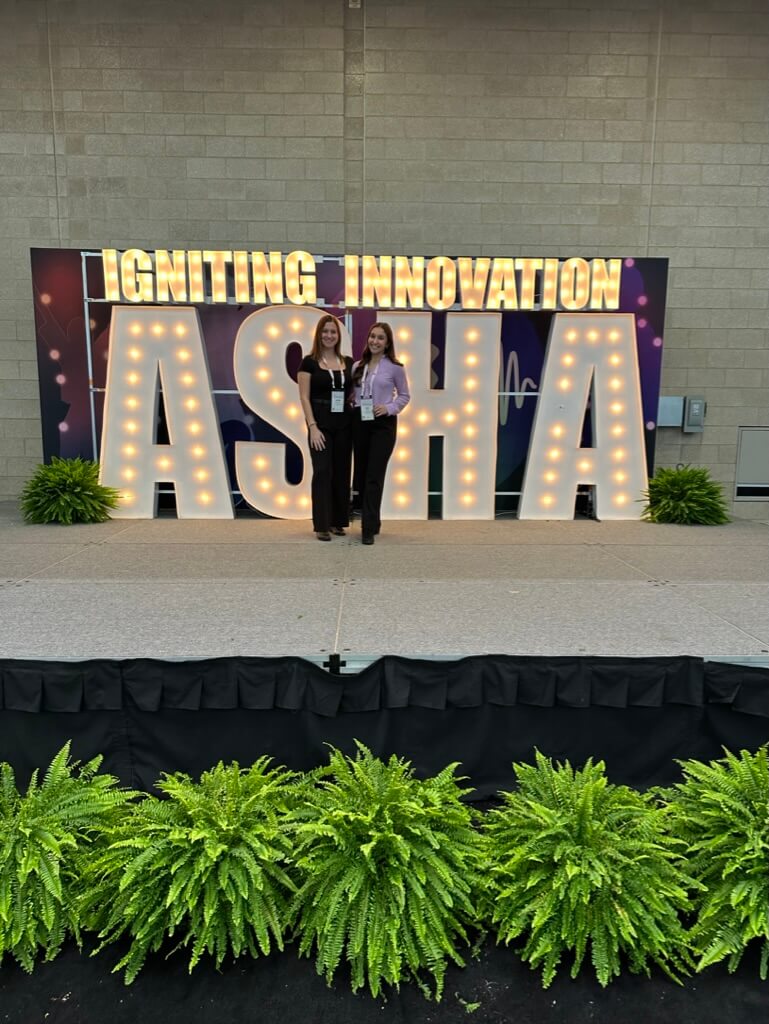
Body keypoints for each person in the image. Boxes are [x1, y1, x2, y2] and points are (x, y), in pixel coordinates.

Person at [351, 322, 410, 545]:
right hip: (360, 422)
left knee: (375, 475)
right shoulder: (357, 366)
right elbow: (353, 395)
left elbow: (404, 396)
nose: (375, 341)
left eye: (380, 338)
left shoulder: (395, 368)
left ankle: (367, 528)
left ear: (387, 343)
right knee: (362, 473)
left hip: (383, 424)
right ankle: (373, 522)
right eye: (372, 336)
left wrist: (389, 408)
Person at [297, 314, 353, 541]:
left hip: (343, 422)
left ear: (338, 336)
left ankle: (338, 521)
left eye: (333, 332)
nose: (329, 336)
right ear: (318, 335)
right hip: (319, 421)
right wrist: (312, 426)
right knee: (322, 471)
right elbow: (303, 397)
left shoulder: (348, 362)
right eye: (325, 331)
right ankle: (321, 524)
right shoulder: (308, 362)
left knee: (341, 471)